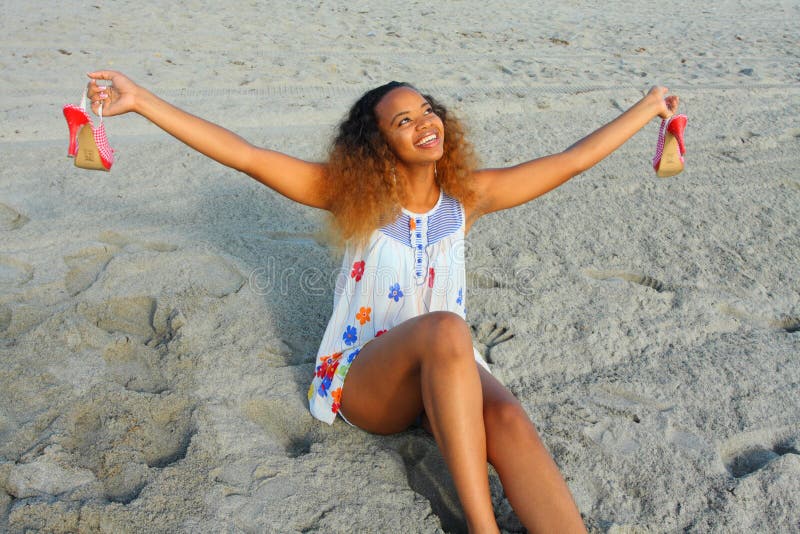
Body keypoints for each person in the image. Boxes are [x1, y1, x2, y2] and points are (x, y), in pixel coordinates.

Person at [85, 70, 679, 533]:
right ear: (379, 145)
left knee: (505, 415)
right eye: (402, 121)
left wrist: (649, 108)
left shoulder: (467, 198)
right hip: (369, 381)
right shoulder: (352, 198)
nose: (424, 123)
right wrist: (141, 102)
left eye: (427, 110)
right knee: (450, 328)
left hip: (446, 372)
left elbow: (570, 161)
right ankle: (482, 525)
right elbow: (245, 154)